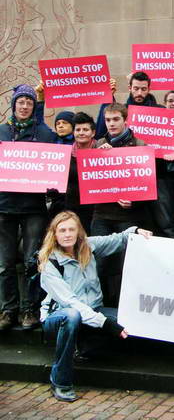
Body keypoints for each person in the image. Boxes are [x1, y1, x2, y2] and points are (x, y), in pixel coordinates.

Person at [39, 210, 152, 402]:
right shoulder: (50, 263)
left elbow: (117, 239)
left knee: (129, 318)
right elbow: (71, 302)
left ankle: (85, 346)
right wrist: (105, 323)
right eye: (62, 230)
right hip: (59, 317)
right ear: (54, 234)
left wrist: (135, 231)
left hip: (92, 311)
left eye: (71, 229)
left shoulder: (88, 246)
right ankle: (60, 382)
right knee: (72, 316)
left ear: (79, 232)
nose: (67, 234)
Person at [0, 84, 56, 330]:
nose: (24, 106)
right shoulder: (1, 131)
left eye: (29, 103)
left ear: (34, 107)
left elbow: (54, 163)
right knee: (4, 264)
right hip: (4, 206)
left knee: (32, 262)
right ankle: (7, 310)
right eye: (20, 102)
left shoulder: (44, 134)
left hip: (33, 208)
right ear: (14, 105)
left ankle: (29, 310)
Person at [92, 103, 147, 306]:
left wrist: (134, 201)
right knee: (100, 262)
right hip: (102, 214)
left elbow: (146, 183)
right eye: (108, 120)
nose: (111, 124)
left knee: (127, 264)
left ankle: (125, 307)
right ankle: (102, 306)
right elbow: (90, 180)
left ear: (126, 120)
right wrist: (99, 156)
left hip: (127, 216)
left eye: (116, 119)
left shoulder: (139, 145)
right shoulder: (98, 144)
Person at [64, 113, 98, 233]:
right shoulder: (65, 154)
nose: (81, 133)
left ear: (93, 133)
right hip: (71, 207)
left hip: (95, 210)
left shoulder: (101, 152)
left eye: (85, 129)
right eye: (78, 130)